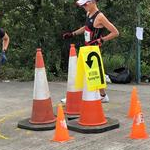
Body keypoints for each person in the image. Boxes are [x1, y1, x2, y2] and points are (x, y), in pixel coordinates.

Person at [62, 0, 119, 103]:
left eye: (85, 4)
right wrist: (73, 34)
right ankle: (103, 95)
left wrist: (102, 39)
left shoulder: (100, 16)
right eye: (82, 5)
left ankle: (75, 97)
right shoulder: (88, 13)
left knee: (84, 73)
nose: (84, 7)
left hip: (93, 50)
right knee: (94, 74)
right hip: (87, 48)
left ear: (92, 2)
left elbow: (115, 32)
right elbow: (86, 27)